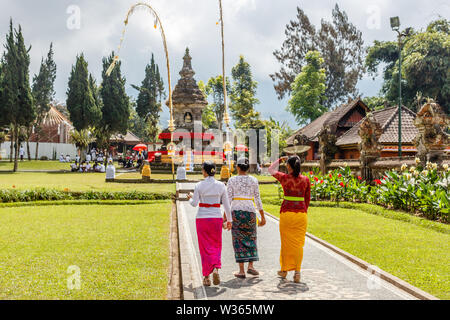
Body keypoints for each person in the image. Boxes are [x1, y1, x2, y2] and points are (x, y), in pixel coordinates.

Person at [186, 161, 232, 287]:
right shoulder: (221, 185)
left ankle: (206, 277)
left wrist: (189, 197)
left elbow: (194, 203)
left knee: (204, 248)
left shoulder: (199, 185)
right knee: (216, 245)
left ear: (205, 171)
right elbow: (227, 206)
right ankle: (216, 268)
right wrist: (229, 220)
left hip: (202, 218)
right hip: (216, 218)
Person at [268, 155, 310, 283]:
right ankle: (297, 272)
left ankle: (284, 270)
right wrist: (303, 211)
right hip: (301, 215)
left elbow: (270, 170)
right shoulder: (305, 180)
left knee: (286, 244)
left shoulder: (284, 178)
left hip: (286, 214)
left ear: (288, 166)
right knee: (298, 245)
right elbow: (307, 199)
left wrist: (279, 159)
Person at [227, 157, 266, 279]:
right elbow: (257, 199)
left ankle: (241, 271)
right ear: (248, 168)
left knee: (238, 240)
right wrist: (262, 216)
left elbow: (228, 200)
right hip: (250, 212)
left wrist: (225, 217)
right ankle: (251, 266)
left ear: (237, 167)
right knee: (251, 238)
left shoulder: (232, 180)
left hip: (236, 212)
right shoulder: (254, 180)